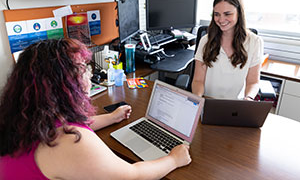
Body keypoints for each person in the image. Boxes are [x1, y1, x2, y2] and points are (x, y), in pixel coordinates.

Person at [0, 39, 191, 180]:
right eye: (84, 69)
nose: (89, 74)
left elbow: (62, 126)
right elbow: (133, 175)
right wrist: (174, 159)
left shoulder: (23, 115)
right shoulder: (71, 142)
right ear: (65, 84)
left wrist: (111, 118)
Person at [192, 0, 263, 100]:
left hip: (236, 106)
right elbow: (198, 80)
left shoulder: (255, 42)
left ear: (239, 13)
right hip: (208, 101)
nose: (221, 20)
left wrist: (248, 98)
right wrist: (197, 99)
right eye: (217, 14)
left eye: (227, 14)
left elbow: (253, 82)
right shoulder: (205, 41)